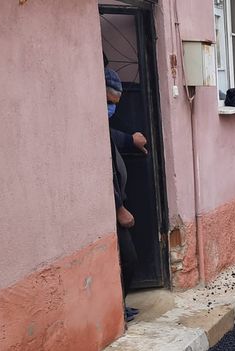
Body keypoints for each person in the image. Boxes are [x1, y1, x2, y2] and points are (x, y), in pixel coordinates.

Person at [105, 66, 143, 322]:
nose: (113, 109)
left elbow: (113, 137)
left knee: (125, 259)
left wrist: (131, 141)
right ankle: (116, 310)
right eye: (109, 102)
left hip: (117, 206)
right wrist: (119, 207)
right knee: (128, 260)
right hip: (111, 209)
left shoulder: (103, 127)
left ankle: (120, 305)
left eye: (116, 103)